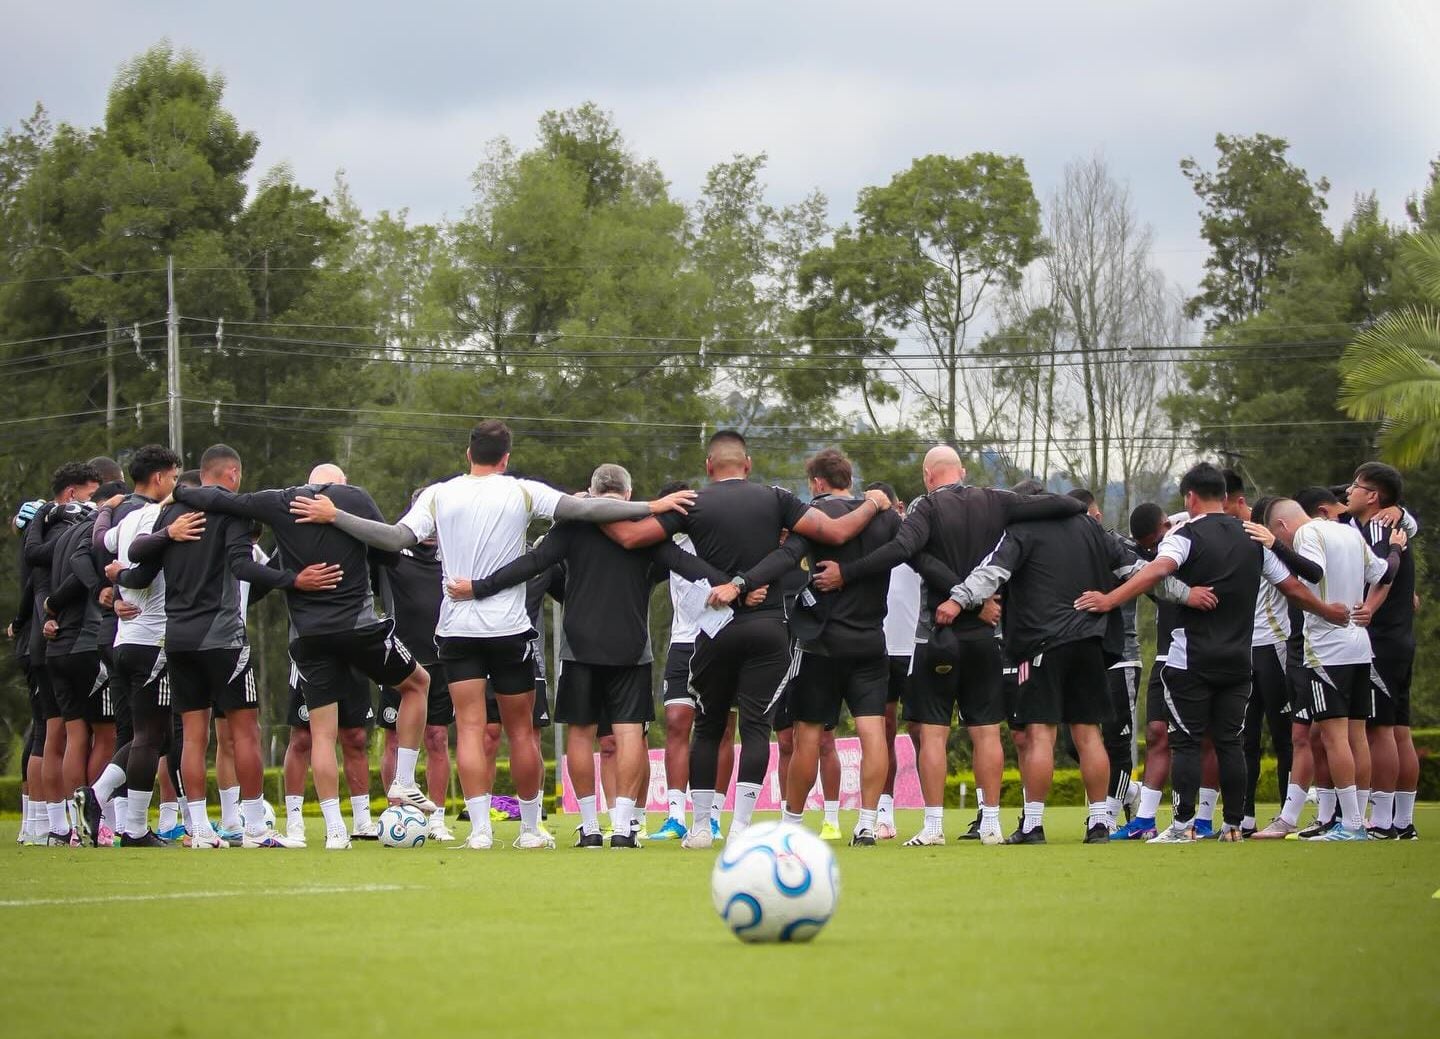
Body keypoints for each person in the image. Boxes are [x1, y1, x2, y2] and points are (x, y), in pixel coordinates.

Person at [288, 421, 699, 850]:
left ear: (468, 454)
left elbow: (394, 538)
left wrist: (336, 516)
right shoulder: (521, 490)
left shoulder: (438, 493)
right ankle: (528, 830)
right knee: (521, 731)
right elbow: (592, 510)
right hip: (508, 629)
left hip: (456, 628)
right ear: (506, 458)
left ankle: (481, 831)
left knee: (468, 729)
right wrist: (655, 505)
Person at [603, 430, 893, 848]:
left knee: (708, 725)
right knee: (756, 728)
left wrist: (720, 582)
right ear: (748, 464)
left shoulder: (693, 502)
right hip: (769, 628)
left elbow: (639, 542)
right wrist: (873, 502)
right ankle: (740, 828)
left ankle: (702, 827)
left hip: (715, 628)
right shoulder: (776, 499)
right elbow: (836, 533)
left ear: (708, 467)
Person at [811, 448, 1085, 846]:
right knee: (987, 731)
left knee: (935, 734)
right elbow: (1062, 503)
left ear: (927, 476)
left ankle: (935, 826)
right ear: (963, 472)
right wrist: (1077, 515)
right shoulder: (996, 499)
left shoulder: (927, 507)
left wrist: (848, 573)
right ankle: (990, 821)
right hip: (985, 636)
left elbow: (901, 551)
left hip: (938, 633)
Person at [451, 463, 730, 849]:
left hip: (579, 646)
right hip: (632, 647)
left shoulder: (573, 527)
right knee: (629, 731)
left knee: (581, 734)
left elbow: (531, 564)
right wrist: (735, 584)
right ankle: (623, 828)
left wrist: (480, 587)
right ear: (629, 495)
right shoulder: (644, 533)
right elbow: (687, 564)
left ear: (591, 490)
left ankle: (589, 827)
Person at [161, 456, 427, 850]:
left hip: (308, 636)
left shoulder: (279, 500)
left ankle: (336, 831)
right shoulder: (354, 497)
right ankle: (403, 780)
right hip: (357, 628)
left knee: (321, 735)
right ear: (341, 484)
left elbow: (226, 502)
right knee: (418, 683)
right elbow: (388, 550)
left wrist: (180, 490)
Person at [1076, 465, 1351, 844]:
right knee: (1230, 742)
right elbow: (1293, 588)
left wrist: (1109, 599)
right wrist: (1329, 612)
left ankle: (1182, 825)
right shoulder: (1253, 537)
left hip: (1193, 657)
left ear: (1189, 497)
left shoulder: (1184, 535)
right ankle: (1234, 824)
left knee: (1186, 741)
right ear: (1225, 497)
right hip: (1240, 659)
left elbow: (1155, 572)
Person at [947, 491, 1197, 843]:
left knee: (1040, 734)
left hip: (1040, 645)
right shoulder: (1093, 529)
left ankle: (1032, 825)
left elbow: (991, 573)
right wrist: (1188, 594)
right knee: (1088, 733)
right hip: (1090, 643)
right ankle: (1099, 822)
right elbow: (1143, 571)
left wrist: (956, 601)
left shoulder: (1022, 530)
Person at [118, 446, 334, 849]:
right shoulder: (233, 513)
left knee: (194, 737)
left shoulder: (170, 514)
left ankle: (199, 830)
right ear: (232, 474)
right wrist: (292, 580)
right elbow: (242, 566)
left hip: (178, 640)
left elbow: (139, 566)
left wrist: (115, 585)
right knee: (245, 733)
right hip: (222, 639)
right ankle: (254, 828)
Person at [1251, 497, 1400, 840]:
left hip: (1327, 651)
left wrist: (1275, 547)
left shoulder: (1305, 534)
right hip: (1359, 646)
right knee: (1357, 735)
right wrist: (1395, 548)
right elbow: (1385, 573)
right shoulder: (1348, 532)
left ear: (1282, 527)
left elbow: (1312, 571)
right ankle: (1358, 821)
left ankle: (1350, 825)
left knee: (1335, 738)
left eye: (1279, 537)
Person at [774, 450, 900, 846]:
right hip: (870, 640)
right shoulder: (886, 518)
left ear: (817, 482)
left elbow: (787, 557)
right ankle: (866, 822)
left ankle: (792, 824)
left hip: (821, 645)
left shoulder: (813, 516)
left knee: (807, 734)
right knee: (872, 731)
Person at [77, 445, 182, 847]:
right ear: (159, 478)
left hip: (123, 642)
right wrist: (122, 579)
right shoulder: (158, 518)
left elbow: (99, 539)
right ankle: (134, 827)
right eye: (173, 476)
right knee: (149, 738)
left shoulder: (129, 515)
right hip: (151, 640)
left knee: (158, 737)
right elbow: (141, 570)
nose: (175, 484)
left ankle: (98, 793)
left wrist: (106, 507)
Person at [650, 481, 737, 844]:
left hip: (721, 638)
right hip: (683, 642)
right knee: (676, 723)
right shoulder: (665, 542)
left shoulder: (719, 536)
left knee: (721, 729)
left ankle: (713, 816)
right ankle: (674, 816)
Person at [1342, 463, 1420, 839]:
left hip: (1382, 641)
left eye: (1355, 487)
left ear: (1373, 496)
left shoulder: (1377, 528)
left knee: (1380, 731)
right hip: (1400, 640)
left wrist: (1369, 608)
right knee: (1399, 730)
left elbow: (1384, 574)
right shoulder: (1393, 525)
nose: (1348, 493)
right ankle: (1403, 821)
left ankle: (1385, 821)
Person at [25, 462, 101, 843]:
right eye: (92, 493)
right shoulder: (69, 530)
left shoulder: (50, 527)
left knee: (53, 733)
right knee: (66, 735)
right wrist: (47, 614)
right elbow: (42, 575)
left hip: (48, 639)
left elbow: (33, 572)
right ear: (73, 494)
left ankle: (48, 826)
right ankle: (63, 825)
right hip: (64, 636)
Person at [376, 493, 456, 841]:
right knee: (393, 739)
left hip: (443, 659)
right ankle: (398, 812)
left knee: (437, 738)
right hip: (399, 660)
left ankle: (436, 817)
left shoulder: (453, 553)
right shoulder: (392, 553)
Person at [283, 663, 376, 846]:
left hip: (351, 649)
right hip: (311, 649)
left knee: (355, 736)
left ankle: (362, 820)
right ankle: (294, 821)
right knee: (303, 737)